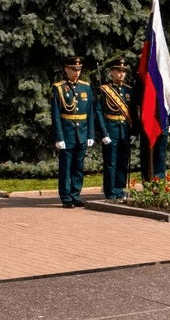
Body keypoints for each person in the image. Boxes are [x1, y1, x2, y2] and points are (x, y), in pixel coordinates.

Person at [51, 54, 93, 207]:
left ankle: (76, 195)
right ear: (66, 69)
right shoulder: (59, 88)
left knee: (78, 167)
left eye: (79, 69)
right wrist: (59, 137)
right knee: (66, 167)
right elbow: (55, 114)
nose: (76, 72)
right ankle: (66, 197)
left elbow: (90, 112)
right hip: (67, 133)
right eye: (73, 69)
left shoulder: (86, 87)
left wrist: (90, 134)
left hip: (81, 132)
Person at [94, 55, 134, 202]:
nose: (121, 74)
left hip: (125, 130)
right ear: (111, 72)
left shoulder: (129, 90)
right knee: (111, 162)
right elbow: (99, 112)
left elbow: (133, 112)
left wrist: (134, 131)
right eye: (118, 71)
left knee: (123, 161)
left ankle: (120, 189)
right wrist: (103, 133)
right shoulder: (104, 90)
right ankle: (110, 191)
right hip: (111, 129)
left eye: (123, 71)